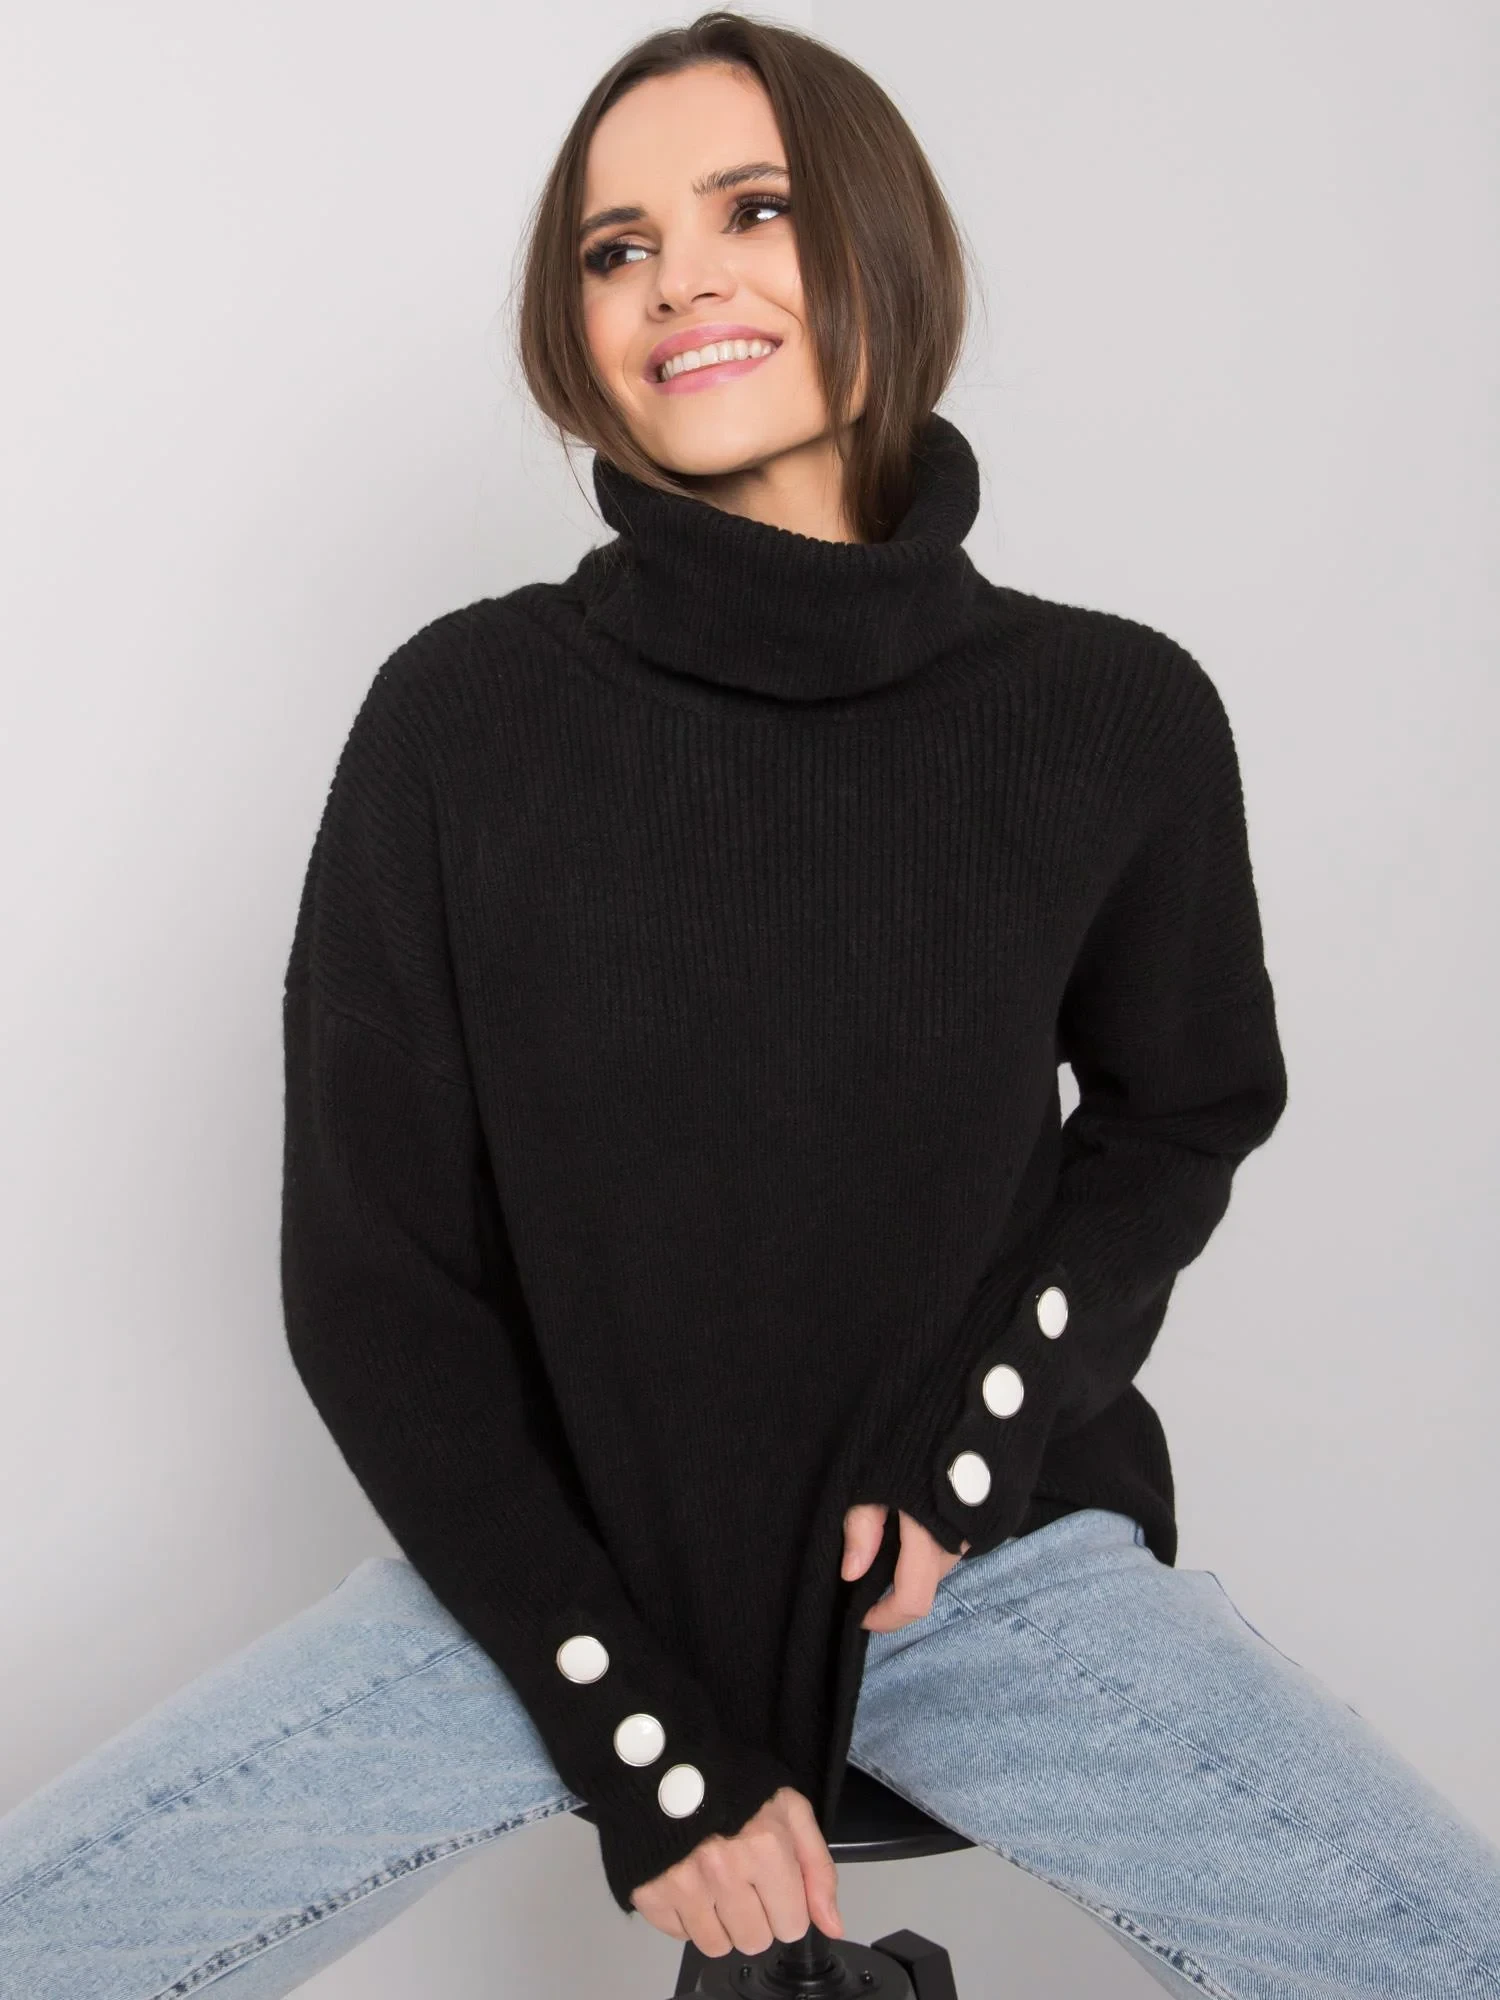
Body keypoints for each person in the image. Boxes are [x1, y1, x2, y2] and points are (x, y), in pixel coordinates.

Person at [3, 13, 1498, 1998]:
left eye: (753, 209)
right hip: (558, 1588)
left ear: (880, 244)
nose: (678, 278)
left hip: (970, 1586)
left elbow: (1184, 1106)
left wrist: (978, 1436)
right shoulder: (464, 719)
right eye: (615, 246)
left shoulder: (1112, 716)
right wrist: (637, 1735)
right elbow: (376, 1281)